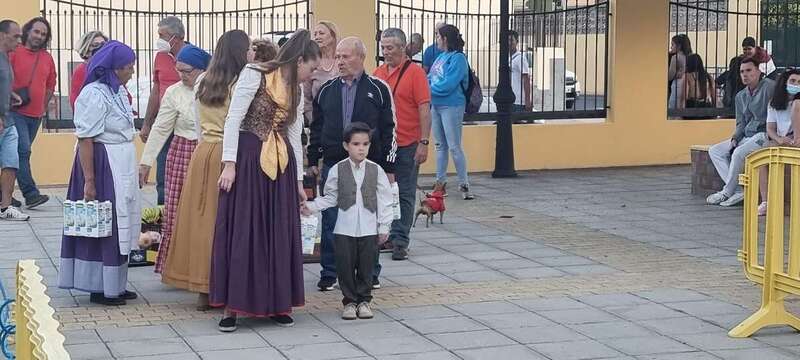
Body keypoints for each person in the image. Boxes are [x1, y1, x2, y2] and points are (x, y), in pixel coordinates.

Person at [211, 29, 320, 332]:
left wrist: (298, 181)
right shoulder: (254, 73)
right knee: (245, 229)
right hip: (248, 160)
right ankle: (232, 308)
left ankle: (276, 303)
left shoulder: (296, 90)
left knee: (277, 231)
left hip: (281, 165)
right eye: (311, 68)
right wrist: (229, 164)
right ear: (300, 61)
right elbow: (233, 119)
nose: (311, 75)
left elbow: (295, 135)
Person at [161, 30, 256, 310]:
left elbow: (200, 127)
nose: (252, 52)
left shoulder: (203, 81)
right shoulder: (241, 83)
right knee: (228, 222)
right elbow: (239, 124)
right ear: (240, 52)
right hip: (230, 155)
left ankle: (203, 287)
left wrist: (203, 151)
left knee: (202, 221)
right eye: (249, 47)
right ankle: (226, 286)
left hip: (203, 154)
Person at [308, 36, 396, 292]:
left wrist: (389, 168)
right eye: (337, 57)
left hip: (369, 165)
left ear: (360, 57)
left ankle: (369, 272)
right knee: (332, 218)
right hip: (335, 163)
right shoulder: (326, 90)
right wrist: (314, 158)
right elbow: (317, 127)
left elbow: (391, 128)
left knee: (368, 217)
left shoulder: (378, 89)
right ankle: (330, 271)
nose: (340, 61)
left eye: (345, 56)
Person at [58, 41, 140, 306]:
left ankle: (115, 283)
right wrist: (90, 181)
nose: (132, 72)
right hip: (103, 164)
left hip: (121, 161)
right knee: (104, 224)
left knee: (121, 222)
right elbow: (86, 139)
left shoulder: (117, 91)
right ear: (115, 68)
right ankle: (99, 286)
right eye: (129, 67)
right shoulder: (94, 93)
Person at [302, 122, 393, 320]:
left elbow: (386, 200)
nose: (361, 148)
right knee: (345, 266)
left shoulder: (376, 170)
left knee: (367, 266)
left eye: (365, 144)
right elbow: (330, 197)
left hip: (369, 228)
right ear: (346, 146)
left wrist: (384, 226)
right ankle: (349, 302)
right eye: (356, 144)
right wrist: (311, 206)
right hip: (344, 228)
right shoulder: (337, 170)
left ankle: (364, 301)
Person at [139, 45, 210, 274]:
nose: (182, 75)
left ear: (202, 69)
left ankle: (204, 265)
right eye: (178, 70)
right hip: (181, 152)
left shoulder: (215, 89)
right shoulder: (174, 92)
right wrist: (146, 162)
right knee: (177, 209)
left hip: (207, 150)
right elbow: (160, 128)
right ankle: (177, 266)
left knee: (204, 211)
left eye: (187, 71)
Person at [374, 28, 431, 261]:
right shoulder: (378, 72)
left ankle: (400, 240)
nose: (386, 52)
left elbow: (424, 109)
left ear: (403, 47)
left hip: (408, 142)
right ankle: (385, 235)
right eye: (383, 47)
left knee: (405, 192)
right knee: (384, 192)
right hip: (385, 144)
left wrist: (424, 142)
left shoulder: (415, 73)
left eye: (390, 47)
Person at [707, 57, 774, 207]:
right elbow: (741, 122)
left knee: (738, 153)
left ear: (758, 71)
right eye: (742, 71)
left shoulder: (769, 87)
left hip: (763, 135)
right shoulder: (741, 96)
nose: (745, 75)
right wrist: (735, 137)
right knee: (715, 151)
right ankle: (737, 190)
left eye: (749, 70)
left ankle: (726, 192)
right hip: (746, 135)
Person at [8, 17, 55, 209]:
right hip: (14, 111)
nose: (39, 36)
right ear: (27, 31)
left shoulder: (47, 57)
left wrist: (42, 107)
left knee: (12, 154)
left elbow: (51, 85)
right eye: (36, 31)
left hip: (35, 116)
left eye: (43, 34)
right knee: (22, 151)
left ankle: (4, 194)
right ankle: (31, 194)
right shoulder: (14, 52)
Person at [140, 16, 186, 205]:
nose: (159, 39)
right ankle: (163, 210)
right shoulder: (160, 57)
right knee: (163, 168)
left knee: (185, 169)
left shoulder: (193, 56)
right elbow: (156, 90)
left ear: (177, 37)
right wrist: (147, 124)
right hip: (163, 120)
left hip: (186, 122)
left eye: (163, 35)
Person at [428, 24, 474, 200]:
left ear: (445, 38)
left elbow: (448, 85)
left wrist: (428, 89)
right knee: (440, 146)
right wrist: (428, 86)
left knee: (454, 146)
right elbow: (431, 78)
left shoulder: (458, 59)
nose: (436, 40)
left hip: (452, 105)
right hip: (436, 105)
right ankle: (440, 183)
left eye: (438, 36)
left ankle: (464, 184)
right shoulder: (440, 58)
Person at [757, 69, 800, 216]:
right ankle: (766, 201)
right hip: (782, 140)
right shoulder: (773, 104)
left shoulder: (797, 103)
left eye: (799, 82)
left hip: (796, 140)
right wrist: (779, 139)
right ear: (785, 83)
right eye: (793, 81)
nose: (796, 85)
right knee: (762, 157)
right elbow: (770, 129)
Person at [0, 20, 27, 221]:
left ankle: (5, 207)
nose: (20, 40)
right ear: (2, 35)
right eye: (16, 36)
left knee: (11, 163)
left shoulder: (6, 58)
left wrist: (11, 95)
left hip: (8, 121)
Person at [303, 21, 340, 128]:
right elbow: (306, 98)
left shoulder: (342, 61)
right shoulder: (312, 63)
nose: (317, 37)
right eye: (315, 34)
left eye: (321, 33)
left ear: (333, 36)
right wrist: (313, 120)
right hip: (319, 122)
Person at [69, 31, 107, 109]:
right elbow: (76, 101)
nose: (101, 48)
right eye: (95, 45)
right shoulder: (81, 71)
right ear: (86, 50)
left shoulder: (110, 69)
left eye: (104, 44)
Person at [682, 54, 715, 118]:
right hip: (707, 107)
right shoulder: (708, 76)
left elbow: (684, 97)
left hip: (692, 106)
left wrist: (682, 113)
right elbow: (714, 95)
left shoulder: (687, 76)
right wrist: (715, 110)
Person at [508, 30, 532, 113]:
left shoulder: (520, 58)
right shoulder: (508, 58)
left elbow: (526, 79)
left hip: (518, 102)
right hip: (509, 100)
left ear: (517, 42)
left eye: (511, 40)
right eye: (507, 40)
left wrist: (527, 101)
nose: (509, 43)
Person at [668, 34, 692, 109]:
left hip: (678, 85)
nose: (671, 47)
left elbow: (670, 76)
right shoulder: (691, 57)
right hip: (689, 85)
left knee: (674, 109)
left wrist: (679, 73)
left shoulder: (675, 57)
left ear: (679, 46)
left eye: (672, 44)